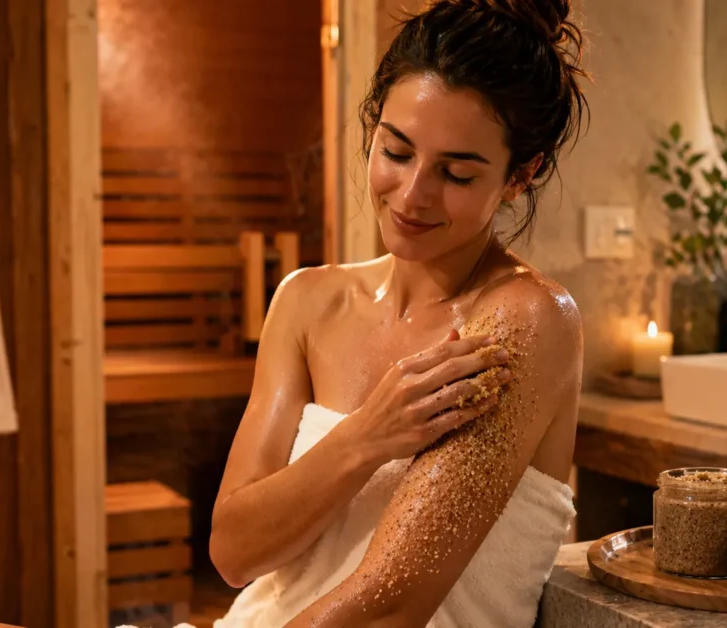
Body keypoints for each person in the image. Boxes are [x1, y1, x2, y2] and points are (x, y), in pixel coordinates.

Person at [206, 0, 590, 626]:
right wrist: (366, 436)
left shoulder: (522, 320)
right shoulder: (309, 301)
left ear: (521, 175)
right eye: (397, 151)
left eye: (457, 174)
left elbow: (390, 606)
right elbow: (235, 552)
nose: (413, 195)